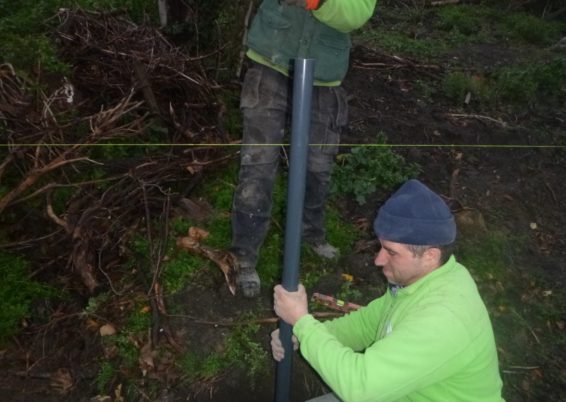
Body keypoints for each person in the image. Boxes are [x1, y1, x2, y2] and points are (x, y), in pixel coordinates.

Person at [272, 179, 505, 401]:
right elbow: (365, 326)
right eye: (380, 247)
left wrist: (303, 323)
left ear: (430, 256)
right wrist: (298, 337)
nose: (378, 260)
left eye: (391, 252)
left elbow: (360, 388)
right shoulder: (423, 283)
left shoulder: (443, 317)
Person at [231, 0, 378, 298]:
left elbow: (357, 12)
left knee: (317, 166)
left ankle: (310, 233)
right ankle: (244, 254)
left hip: (325, 76)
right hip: (269, 62)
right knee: (257, 167)